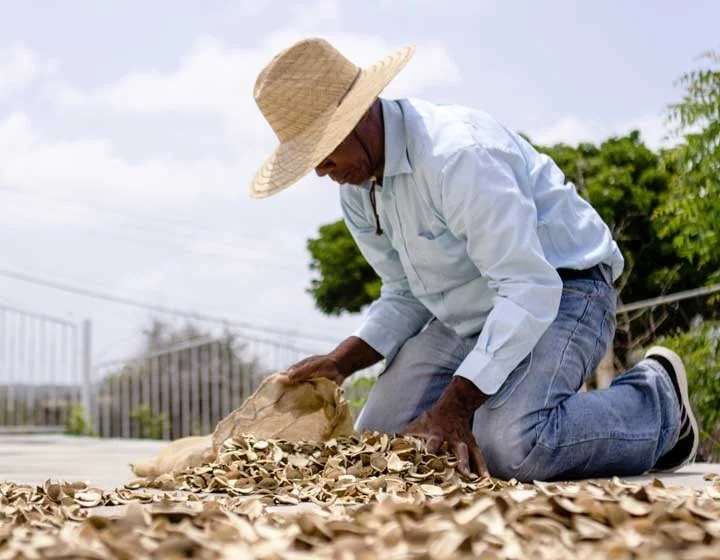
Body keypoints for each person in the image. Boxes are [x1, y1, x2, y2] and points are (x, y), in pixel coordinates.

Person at [249, 38, 698, 481]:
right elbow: (405, 293)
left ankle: (656, 399)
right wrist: (340, 362)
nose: (321, 170)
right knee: (381, 441)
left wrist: (457, 406)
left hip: (567, 289)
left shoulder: (457, 157)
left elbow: (529, 288)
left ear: (361, 114)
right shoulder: (358, 191)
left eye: (324, 149)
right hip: (468, 312)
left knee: (513, 446)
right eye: (311, 158)